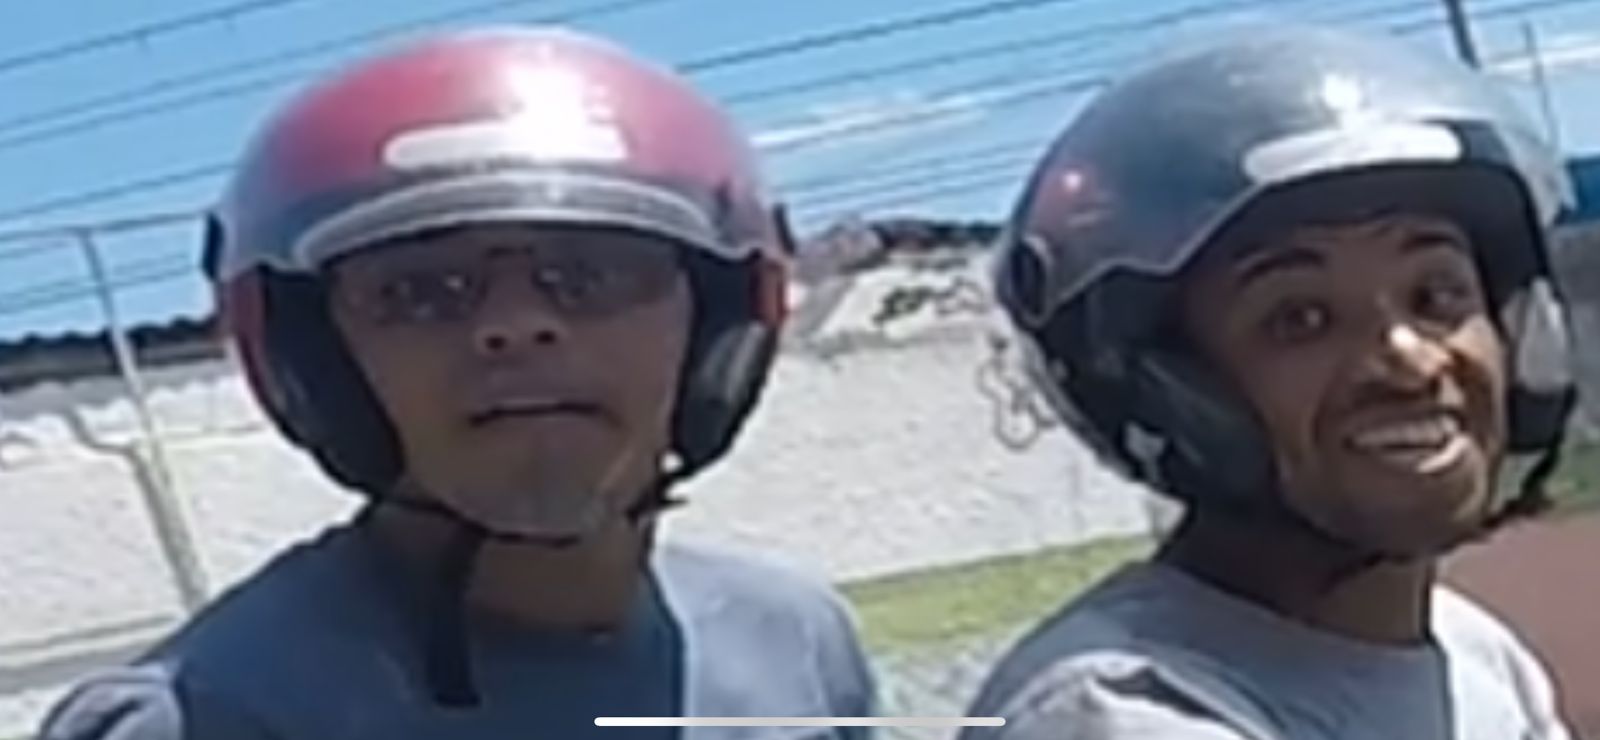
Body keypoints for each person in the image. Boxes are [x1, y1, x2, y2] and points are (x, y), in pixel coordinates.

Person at [40, 26, 874, 739]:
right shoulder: (209, 716)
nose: (515, 325)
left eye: (595, 274)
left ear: (721, 324)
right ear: (317, 358)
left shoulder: (795, 643)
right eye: (418, 291)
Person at [962, 25, 1576, 739]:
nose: (1410, 362)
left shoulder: (1475, 652)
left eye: (1436, 296)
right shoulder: (1128, 712)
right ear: (1170, 393)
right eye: (1301, 319)